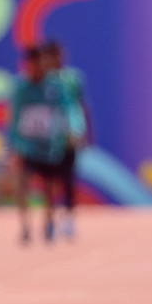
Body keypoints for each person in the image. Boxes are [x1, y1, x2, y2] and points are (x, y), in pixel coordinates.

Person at [8, 46, 82, 245]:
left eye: (42, 63)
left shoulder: (57, 86)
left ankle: (48, 221)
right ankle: (25, 225)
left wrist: (73, 131)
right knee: (22, 183)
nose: (40, 67)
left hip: (49, 144)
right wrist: (15, 146)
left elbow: (68, 109)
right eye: (35, 63)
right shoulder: (20, 87)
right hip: (27, 145)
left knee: (49, 186)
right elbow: (15, 117)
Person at [42, 41, 90, 240]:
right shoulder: (43, 80)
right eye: (53, 55)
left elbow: (81, 103)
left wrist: (86, 130)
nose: (58, 59)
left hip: (71, 132)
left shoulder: (73, 78)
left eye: (60, 55)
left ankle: (69, 218)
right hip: (50, 136)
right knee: (50, 179)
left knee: (69, 177)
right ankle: (50, 219)